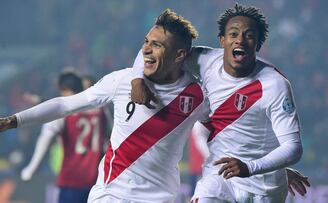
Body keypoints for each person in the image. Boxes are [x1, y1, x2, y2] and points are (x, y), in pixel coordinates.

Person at [0, 9, 211, 203]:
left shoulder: (198, 96)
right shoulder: (121, 80)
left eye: (157, 45)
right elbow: (65, 105)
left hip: (160, 197)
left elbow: (224, 135)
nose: (146, 48)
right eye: (146, 41)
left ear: (179, 55)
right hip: (110, 194)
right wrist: (10, 121)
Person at [131, 3, 307, 203]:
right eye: (233, 34)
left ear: (258, 45)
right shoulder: (205, 60)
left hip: (263, 188)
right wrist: (137, 79)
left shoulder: (274, 85)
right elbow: (157, 47)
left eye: (249, 36)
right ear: (222, 40)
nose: (240, 40)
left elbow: (293, 147)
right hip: (219, 177)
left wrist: (254, 167)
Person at [20, 71, 108, 203]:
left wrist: (31, 168)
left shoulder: (62, 113)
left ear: (63, 89)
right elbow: (111, 138)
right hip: (97, 181)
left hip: (71, 180)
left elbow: (46, 138)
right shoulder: (101, 110)